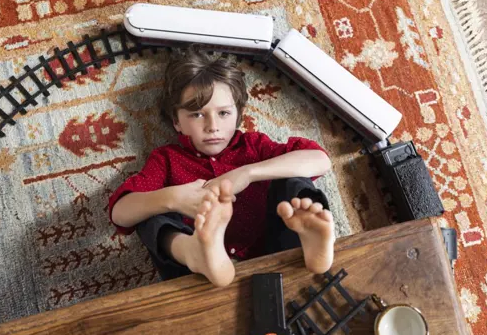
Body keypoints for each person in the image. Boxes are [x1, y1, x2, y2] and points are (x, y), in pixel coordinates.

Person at [108, 47, 335, 287]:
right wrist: (172, 197)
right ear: (176, 121)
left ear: (238, 116)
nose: (212, 126)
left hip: (275, 249)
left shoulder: (253, 146)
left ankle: (308, 239)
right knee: (150, 211)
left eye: (224, 113)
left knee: (293, 175)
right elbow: (119, 213)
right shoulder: (166, 159)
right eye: (197, 115)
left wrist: (247, 173)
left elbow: (320, 159)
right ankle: (194, 253)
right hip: (196, 272)